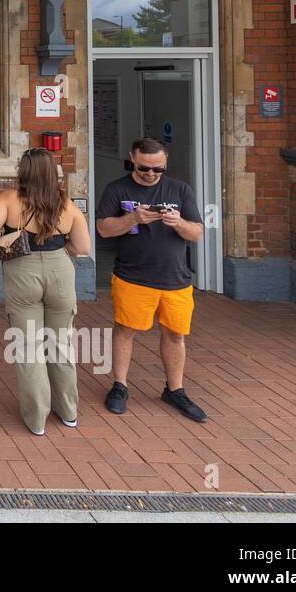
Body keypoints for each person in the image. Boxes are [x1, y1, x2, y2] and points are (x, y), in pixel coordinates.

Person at [0, 148, 92, 436]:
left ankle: (36, 419)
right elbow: (83, 248)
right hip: (60, 272)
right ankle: (68, 412)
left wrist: (12, 237)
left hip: (22, 271)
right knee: (61, 346)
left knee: (29, 348)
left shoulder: (8, 199)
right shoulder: (67, 205)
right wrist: (57, 249)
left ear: (24, 171)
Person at [95, 137, 208, 422]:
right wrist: (132, 219)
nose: (151, 174)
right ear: (133, 157)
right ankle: (120, 386)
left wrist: (178, 223)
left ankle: (175, 389)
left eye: (158, 169)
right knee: (125, 330)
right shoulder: (117, 189)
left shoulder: (180, 189)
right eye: (145, 167)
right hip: (133, 275)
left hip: (176, 278)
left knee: (175, 334)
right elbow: (104, 230)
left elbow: (197, 233)